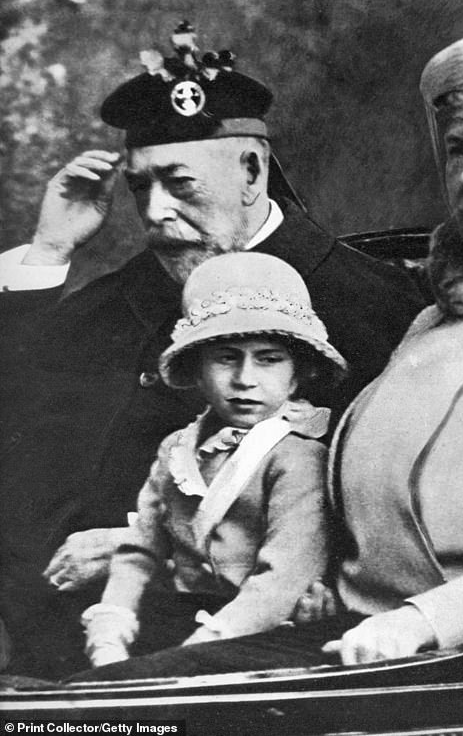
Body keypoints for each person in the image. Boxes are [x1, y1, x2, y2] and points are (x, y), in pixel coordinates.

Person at [71, 23, 463, 681]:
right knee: (87, 692)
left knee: (112, 705)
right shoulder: (431, 321)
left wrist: (419, 619)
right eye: (458, 150)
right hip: (346, 634)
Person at [0, 23, 424, 678]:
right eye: (141, 188)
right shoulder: (129, 292)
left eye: (179, 183)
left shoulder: (375, 306)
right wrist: (50, 252)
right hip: (49, 642)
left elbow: (388, 522)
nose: (155, 212)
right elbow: (15, 402)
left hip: (236, 654)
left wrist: (140, 549)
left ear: (252, 172)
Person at [81, 252, 346, 668]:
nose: (244, 378)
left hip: (260, 632)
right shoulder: (177, 449)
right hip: (180, 618)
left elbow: (279, 584)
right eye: (226, 357)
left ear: (298, 374)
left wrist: (191, 656)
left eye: (269, 358)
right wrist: (111, 628)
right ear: (198, 370)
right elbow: (140, 550)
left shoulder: (298, 457)